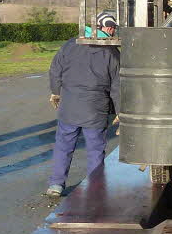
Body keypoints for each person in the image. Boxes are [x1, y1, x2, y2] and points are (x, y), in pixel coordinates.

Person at [46, 20, 120, 196]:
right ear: (103, 28)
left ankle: (56, 184)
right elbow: (118, 86)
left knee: (64, 146)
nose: (112, 30)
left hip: (69, 106)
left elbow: (55, 69)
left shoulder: (71, 44)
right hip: (95, 109)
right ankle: (95, 187)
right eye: (110, 27)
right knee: (95, 148)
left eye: (113, 27)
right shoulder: (112, 52)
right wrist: (120, 110)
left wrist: (55, 92)